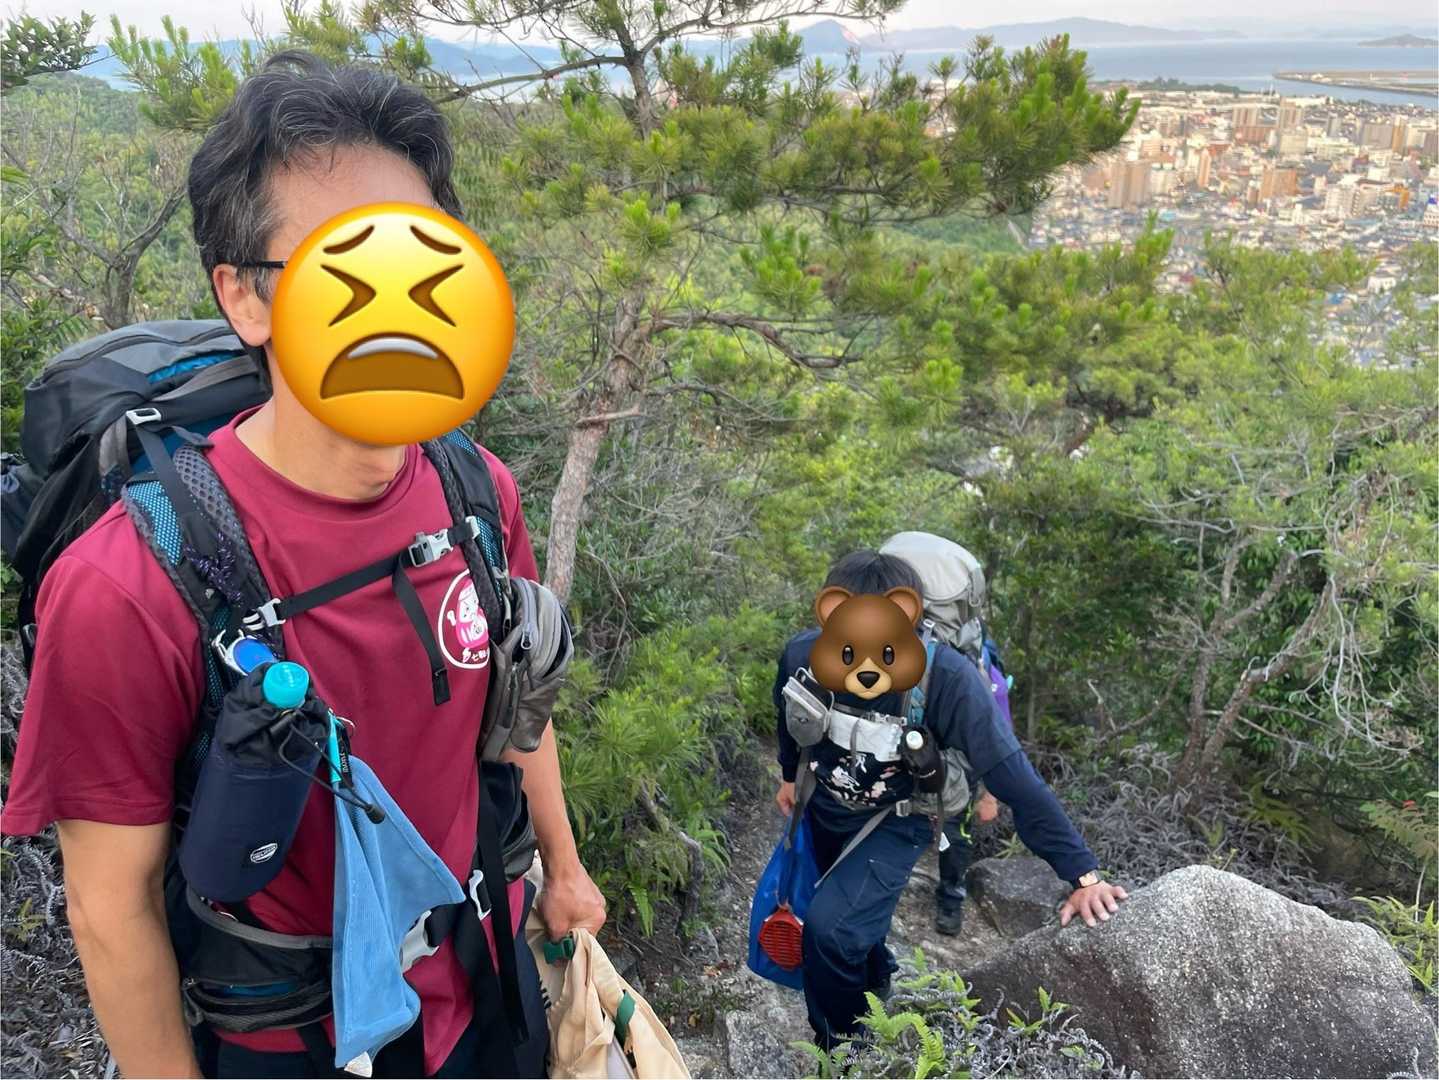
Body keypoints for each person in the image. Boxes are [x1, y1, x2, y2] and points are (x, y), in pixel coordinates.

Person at [0, 52, 605, 1078]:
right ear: (245, 298)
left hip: (484, 983)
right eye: (345, 273)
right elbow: (110, 907)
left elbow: (516, 699)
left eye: (427, 264)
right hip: (292, 1041)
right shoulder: (127, 586)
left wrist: (564, 864)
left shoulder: (473, 490)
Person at [773, 550, 1126, 1049]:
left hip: (898, 818)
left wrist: (1082, 874)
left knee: (829, 932)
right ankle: (875, 983)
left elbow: (1013, 776)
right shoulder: (802, 656)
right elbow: (791, 712)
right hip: (826, 805)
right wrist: (789, 775)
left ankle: (844, 1051)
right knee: (850, 920)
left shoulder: (947, 679)